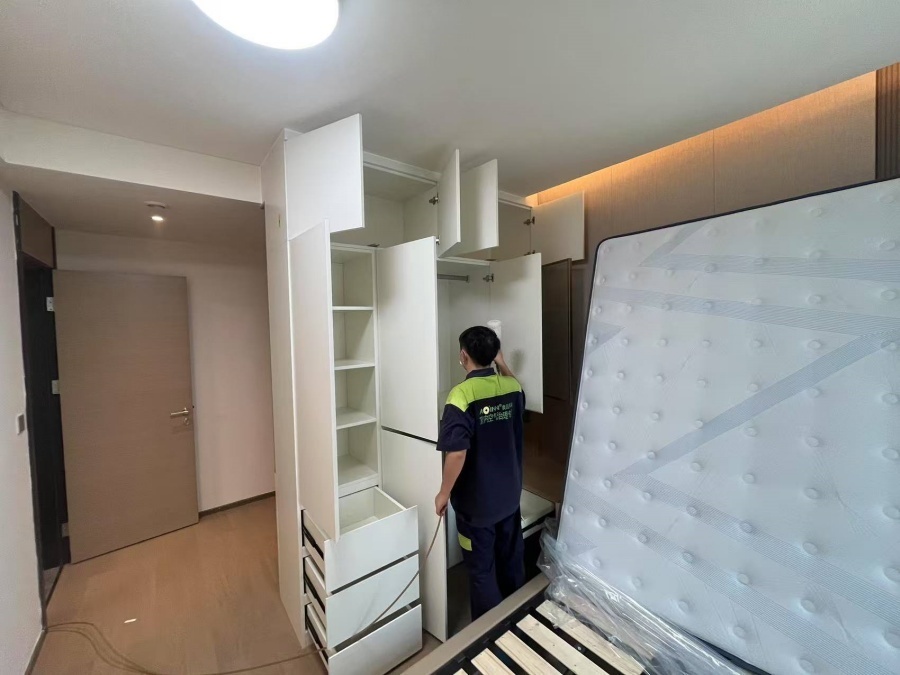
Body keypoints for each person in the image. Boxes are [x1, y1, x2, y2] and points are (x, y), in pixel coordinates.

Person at [434, 325, 526, 620]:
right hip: (509, 496)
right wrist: (502, 362)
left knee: (481, 570)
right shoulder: (511, 387)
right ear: (494, 354)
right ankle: (517, 619)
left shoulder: (461, 395)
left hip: (477, 506)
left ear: (463, 356)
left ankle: (491, 633)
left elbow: (457, 452)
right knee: (511, 559)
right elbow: (518, 390)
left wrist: (444, 492)